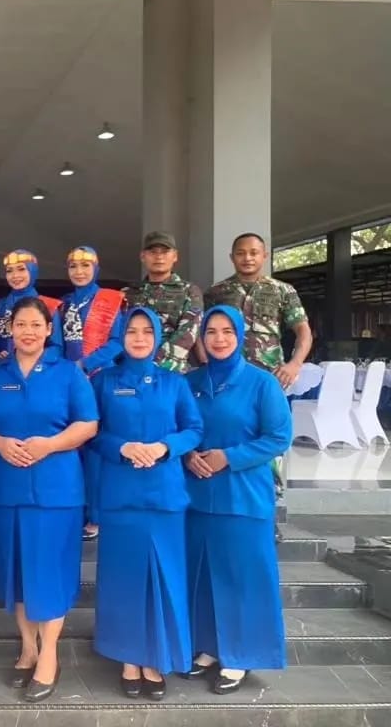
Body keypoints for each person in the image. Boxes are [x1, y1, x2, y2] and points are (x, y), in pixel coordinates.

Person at [0, 297, 98, 702]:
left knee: (50, 572)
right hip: (5, 487)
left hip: (56, 488)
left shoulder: (68, 373)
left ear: (49, 330)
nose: (27, 332)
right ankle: (28, 647)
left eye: (35, 325)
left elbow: (88, 424)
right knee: (16, 571)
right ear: (10, 330)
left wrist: (51, 445)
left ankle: (49, 655)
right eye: (20, 324)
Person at [90, 307, 202, 701]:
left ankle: (155, 656)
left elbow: (194, 429)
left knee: (164, 575)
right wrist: (122, 447)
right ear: (121, 338)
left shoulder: (174, 383)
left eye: (146, 332)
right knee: (123, 578)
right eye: (132, 331)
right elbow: (92, 432)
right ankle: (127, 658)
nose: (139, 338)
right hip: (120, 493)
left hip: (164, 494)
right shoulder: (104, 381)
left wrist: (164, 447)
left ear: (157, 338)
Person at [184, 306, 292, 694]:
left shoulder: (261, 383)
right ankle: (209, 647)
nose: (219, 339)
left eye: (227, 331)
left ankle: (241, 655)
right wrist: (187, 455)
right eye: (211, 331)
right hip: (197, 496)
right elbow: (179, 427)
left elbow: (278, 437)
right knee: (202, 574)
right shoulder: (190, 382)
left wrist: (228, 457)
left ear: (241, 335)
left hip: (243, 495)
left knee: (243, 577)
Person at [48, 246, 125, 541]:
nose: (79, 271)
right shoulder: (64, 304)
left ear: (96, 268)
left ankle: (97, 515)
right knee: (71, 447)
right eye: (73, 266)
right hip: (69, 382)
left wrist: (85, 364)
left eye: (85, 265)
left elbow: (118, 342)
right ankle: (74, 511)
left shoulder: (111, 300)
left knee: (97, 449)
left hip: (100, 380)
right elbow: (56, 344)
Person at [203, 233, 312, 390]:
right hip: (226, 376)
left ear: (264, 256)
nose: (247, 258)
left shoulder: (283, 290)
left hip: (270, 376)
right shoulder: (215, 292)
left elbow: (303, 331)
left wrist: (295, 364)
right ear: (232, 257)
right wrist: (206, 363)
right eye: (240, 253)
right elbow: (201, 332)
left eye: (254, 253)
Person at [124, 232, 203, 373]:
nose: (159, 257)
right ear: (143, 256)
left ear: (175, 256)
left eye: (165, 252)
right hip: (132, 368)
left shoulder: (189, 291)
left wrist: (156, 364)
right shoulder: (128, 293)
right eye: (153, 252)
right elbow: (119, 331)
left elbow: (188, 332)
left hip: (171, 370)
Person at [0, 250, 61, 359]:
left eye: (21, 269)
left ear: (33, 271)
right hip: (3, 367)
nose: (15, 275)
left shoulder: (49, 306)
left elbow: (56, 348)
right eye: (9, 271)